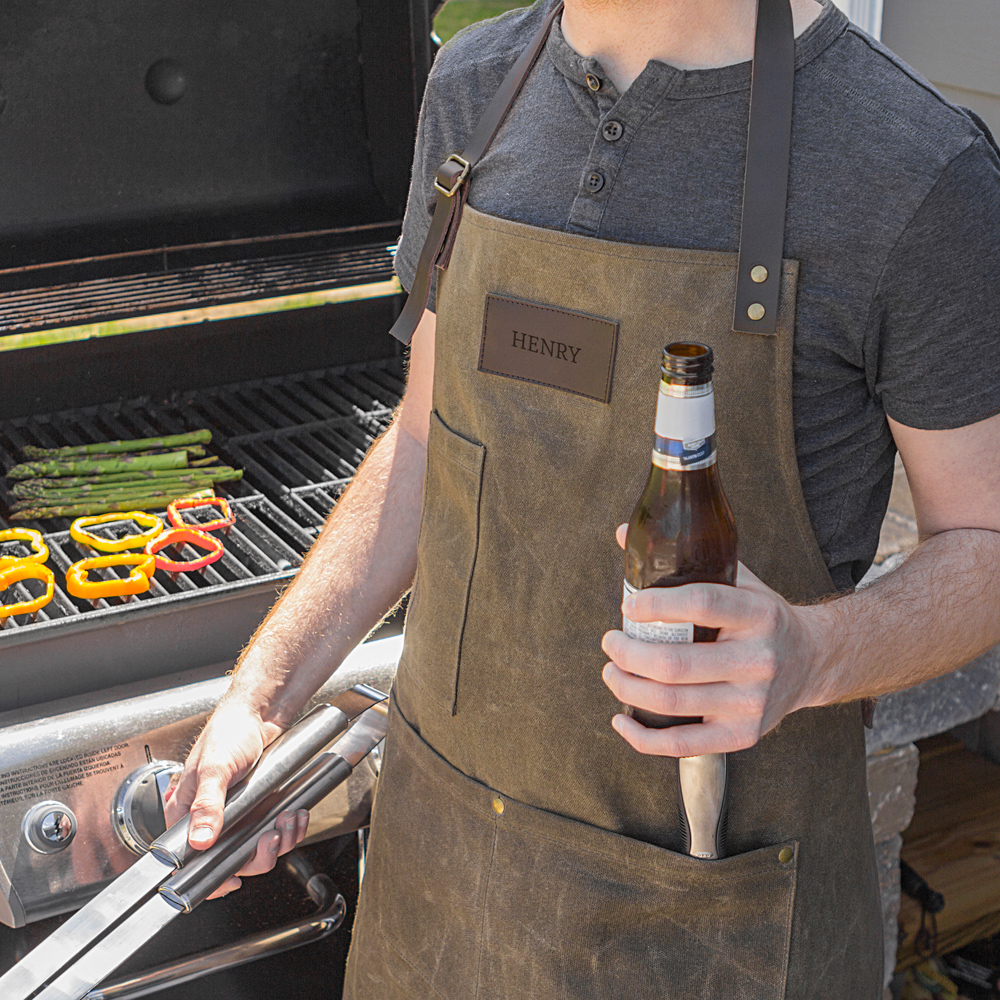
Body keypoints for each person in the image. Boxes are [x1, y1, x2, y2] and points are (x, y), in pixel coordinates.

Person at [165, 0, 1000, 996]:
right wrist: (262, 697)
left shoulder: (910, 166)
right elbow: (429, 436)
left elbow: (983, 541)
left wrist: (811, 654)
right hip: (443, 882)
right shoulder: (472, 89)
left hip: (708, 918)